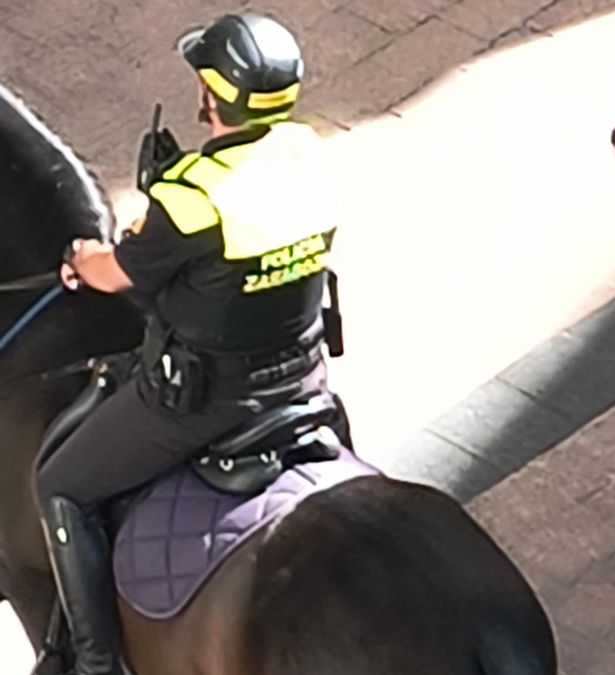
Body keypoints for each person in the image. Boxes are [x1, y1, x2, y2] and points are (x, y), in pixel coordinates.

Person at [35, 14, 338, 674]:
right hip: (304, 379)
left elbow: (119, 272)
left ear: (215, 93)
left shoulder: (193, 196)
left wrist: (85, 256)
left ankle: (92, 661)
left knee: (61, 483)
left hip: (208, 399)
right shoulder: (311, 153)